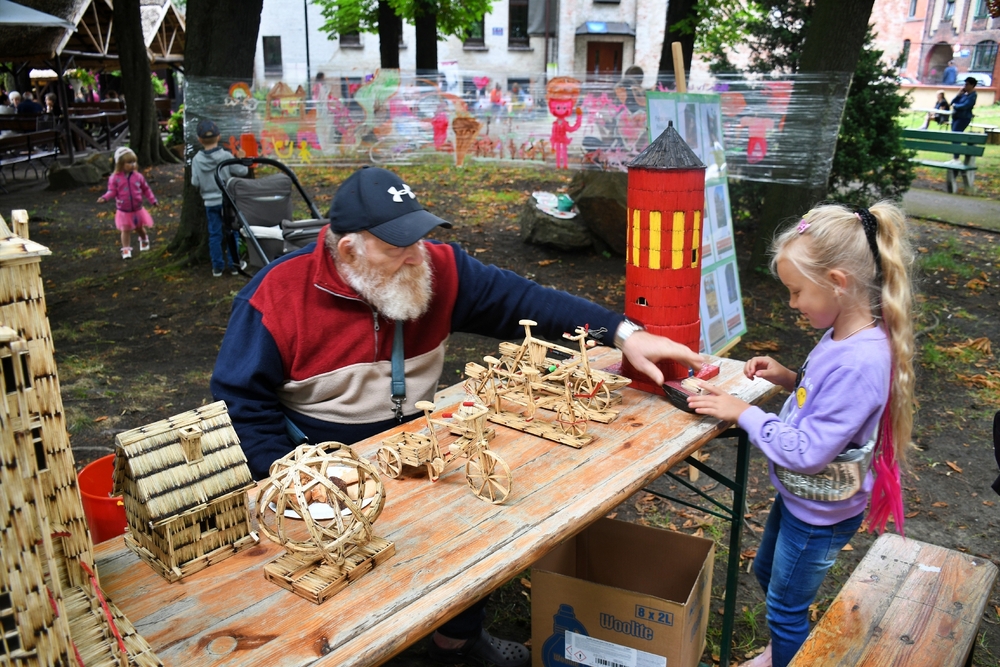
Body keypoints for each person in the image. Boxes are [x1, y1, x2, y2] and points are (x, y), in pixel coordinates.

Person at [210, 166, 706, 667]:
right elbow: (239, 399)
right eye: (396, 245)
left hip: (417, 447)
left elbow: (527, 300)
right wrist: (294, 478)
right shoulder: (276, 296)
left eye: (418, 238)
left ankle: (457, 643)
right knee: (344, 576)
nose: (414, 255)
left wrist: (624, 333)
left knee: (488, 511)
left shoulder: (437, 271)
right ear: (348, 250)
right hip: (324, 471)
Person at [688, 202, 915, 667]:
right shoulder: (843, 336)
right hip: (802, 499)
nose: (791, 303)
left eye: (796, 292)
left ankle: (787, 656)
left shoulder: (860, 360)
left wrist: (742, 413)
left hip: (819, 515)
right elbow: (826, 403)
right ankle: (783, 648)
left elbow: (809, 451)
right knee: (770, 572)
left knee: (786, 607)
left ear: (837, 281)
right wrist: (788, 378)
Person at [190, 119, 248, 277]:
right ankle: (235, 265)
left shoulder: (196, 160)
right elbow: (242, 172)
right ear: (219, 136)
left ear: (199, 139)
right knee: (232, 232)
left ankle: (217, 267)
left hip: (209, 203)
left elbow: (194, 182)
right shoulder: (226, 156)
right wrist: (242, 158)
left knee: (214, 234)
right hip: (227, 201)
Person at [97, 147, 157, 260]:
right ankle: (126, 249)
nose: (133, 164)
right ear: (120, 164)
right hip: (124, 210)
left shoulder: (138, 176)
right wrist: (105, 198)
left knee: (139, 228)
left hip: (138, 209)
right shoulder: (114, 178)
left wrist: (153, 200)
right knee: (125, 230)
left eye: (134, 162)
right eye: (129, 162)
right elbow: (112, 191)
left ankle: (144, 239)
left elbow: (146, 189)